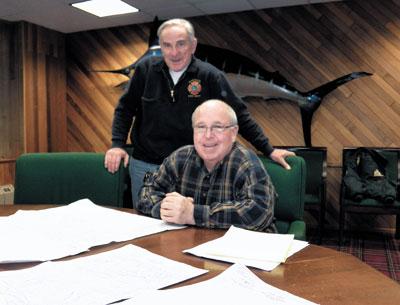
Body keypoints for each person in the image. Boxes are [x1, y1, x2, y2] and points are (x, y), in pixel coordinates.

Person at [104, 18, 294, 208]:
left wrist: (268, 149)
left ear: (193, 45)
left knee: (187, 223)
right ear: (160, 47)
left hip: (189, 170)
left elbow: (238, 115)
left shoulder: (210, 76)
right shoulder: (145, 71)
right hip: (145, 165)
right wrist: (117, 144)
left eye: (181, 44)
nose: (174, 52)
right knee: (145, 221)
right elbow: (125, 108)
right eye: (167, 45)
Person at [137, 99, 277, 232]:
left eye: (217, 127)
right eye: (201, 127)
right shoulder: (180, 157)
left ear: (233, 133)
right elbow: (147, 191)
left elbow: (260, 212)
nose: (208, 135)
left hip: (241, 252)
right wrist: (167, 209)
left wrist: (193, 214)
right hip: (188, 247)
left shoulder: (247, 163)